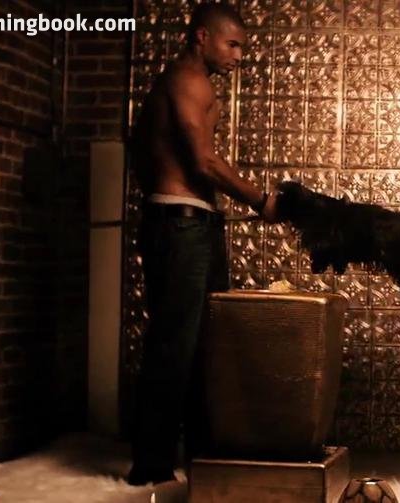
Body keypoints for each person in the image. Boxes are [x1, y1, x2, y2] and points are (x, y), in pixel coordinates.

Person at [126, 2, 281, 485]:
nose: (239, 56)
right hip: (181, 225)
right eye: (232, 44)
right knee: (175, 344)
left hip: (192, 223)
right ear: (201, 37)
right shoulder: (187, 80)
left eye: (242, 47)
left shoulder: (189, 84)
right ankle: (150, 466)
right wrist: (261, 200)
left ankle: (201, 459)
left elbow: (144, 150)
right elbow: (203, 161)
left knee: (204, 346)